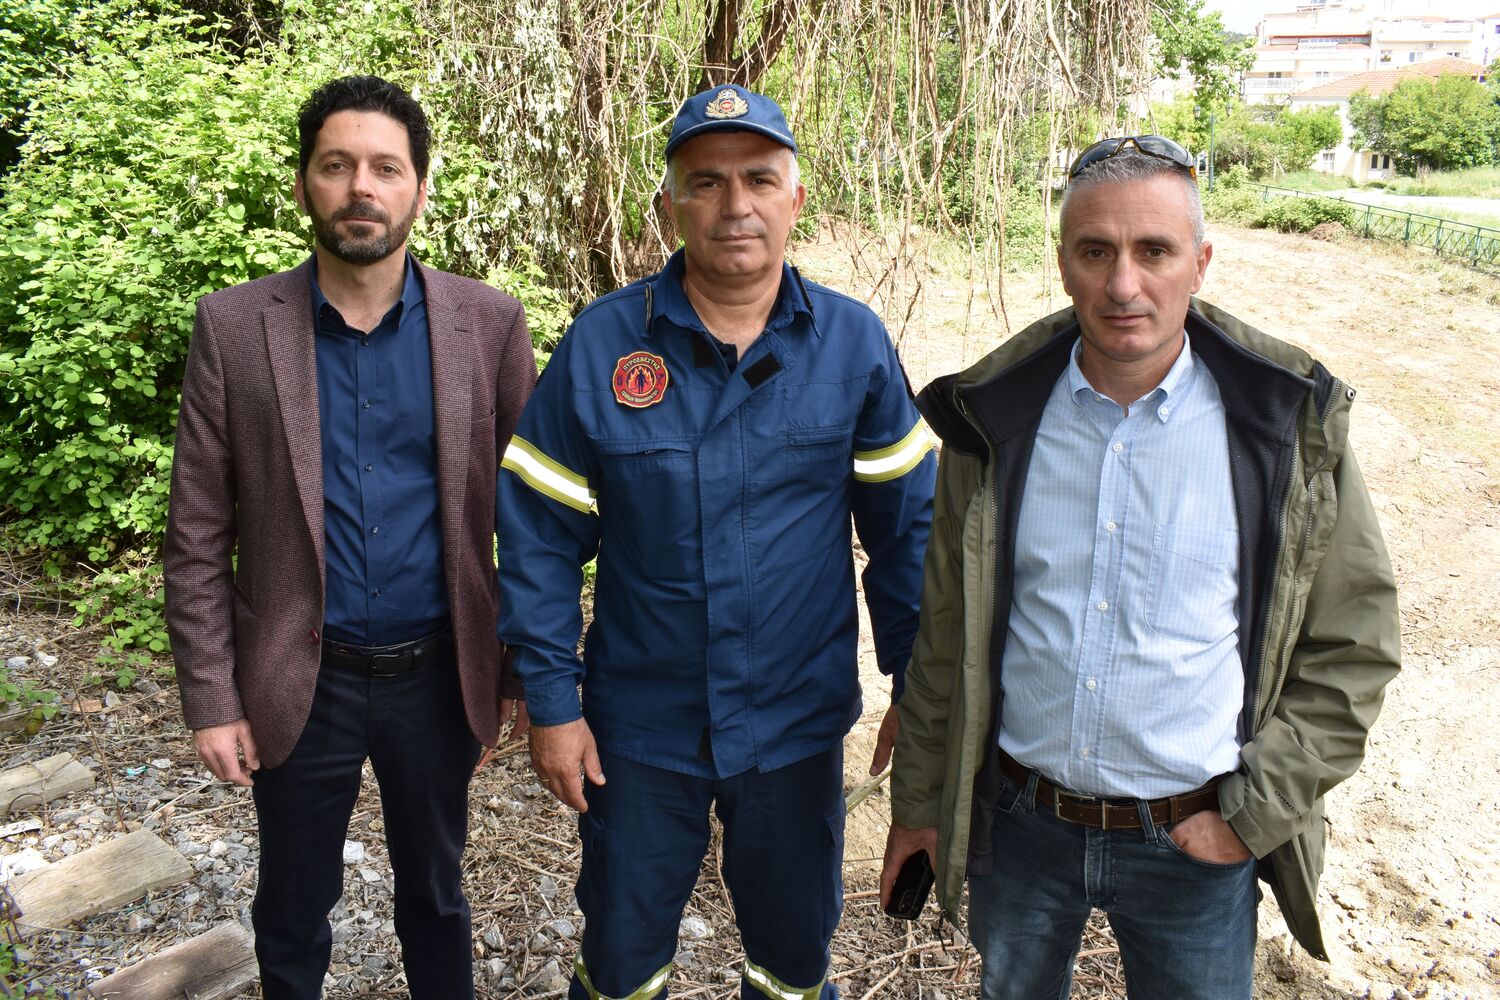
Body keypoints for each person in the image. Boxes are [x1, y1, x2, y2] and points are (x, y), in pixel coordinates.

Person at [880, 135, 1400, 999]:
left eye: (1154, 251)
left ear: (1200, 263)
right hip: (1021, 828)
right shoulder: (995, 426)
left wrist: (1252, 816)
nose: (1124, 285)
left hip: (1195, 842)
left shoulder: (1282, 435)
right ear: (1063, 264)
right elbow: (945, 639)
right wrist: (921, 805)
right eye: (1096, 252)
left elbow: (1355, 648)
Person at [497, 84, 936, 1000]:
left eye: (759, 179)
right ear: (671, 205)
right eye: (706, 182)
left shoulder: (852, 345)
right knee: (622, 959)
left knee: (792, 963)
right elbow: (538, 537)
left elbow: (907, 537)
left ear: (795, 200)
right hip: (639, 729)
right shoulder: (602, 345)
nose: (736, 205)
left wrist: (917, 689)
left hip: (794, 724)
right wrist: (552, 703)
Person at [164, 75, 536, 999]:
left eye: (385, 168)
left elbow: (531, 519)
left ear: (419, 189)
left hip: (439, 675)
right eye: (336, 166)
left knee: (437, 897)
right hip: (301, 674)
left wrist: (523, 671)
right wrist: (212, 697)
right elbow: (198, 530)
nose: (360, 187)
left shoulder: (488, 324)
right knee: (293, 903)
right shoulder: (234, 327)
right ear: (303, 185)